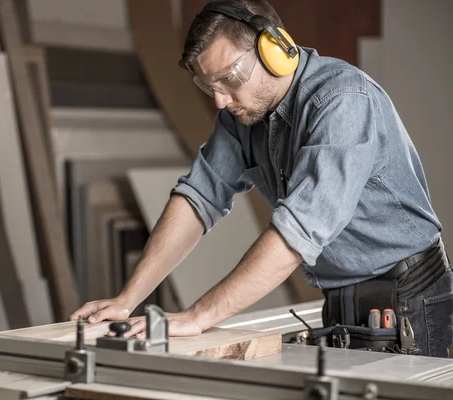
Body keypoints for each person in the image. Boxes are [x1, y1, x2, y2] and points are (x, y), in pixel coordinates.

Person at [69, 0, 452, 357]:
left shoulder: (343, 101)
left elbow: (297, 232)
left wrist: (199, 316)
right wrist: (127, 298)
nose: (220, 100)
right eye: (208, 86)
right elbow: (197, 197)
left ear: (276, 49)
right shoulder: (243, 115)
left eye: (229, 78)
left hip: (412, 299)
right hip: (344, 300)